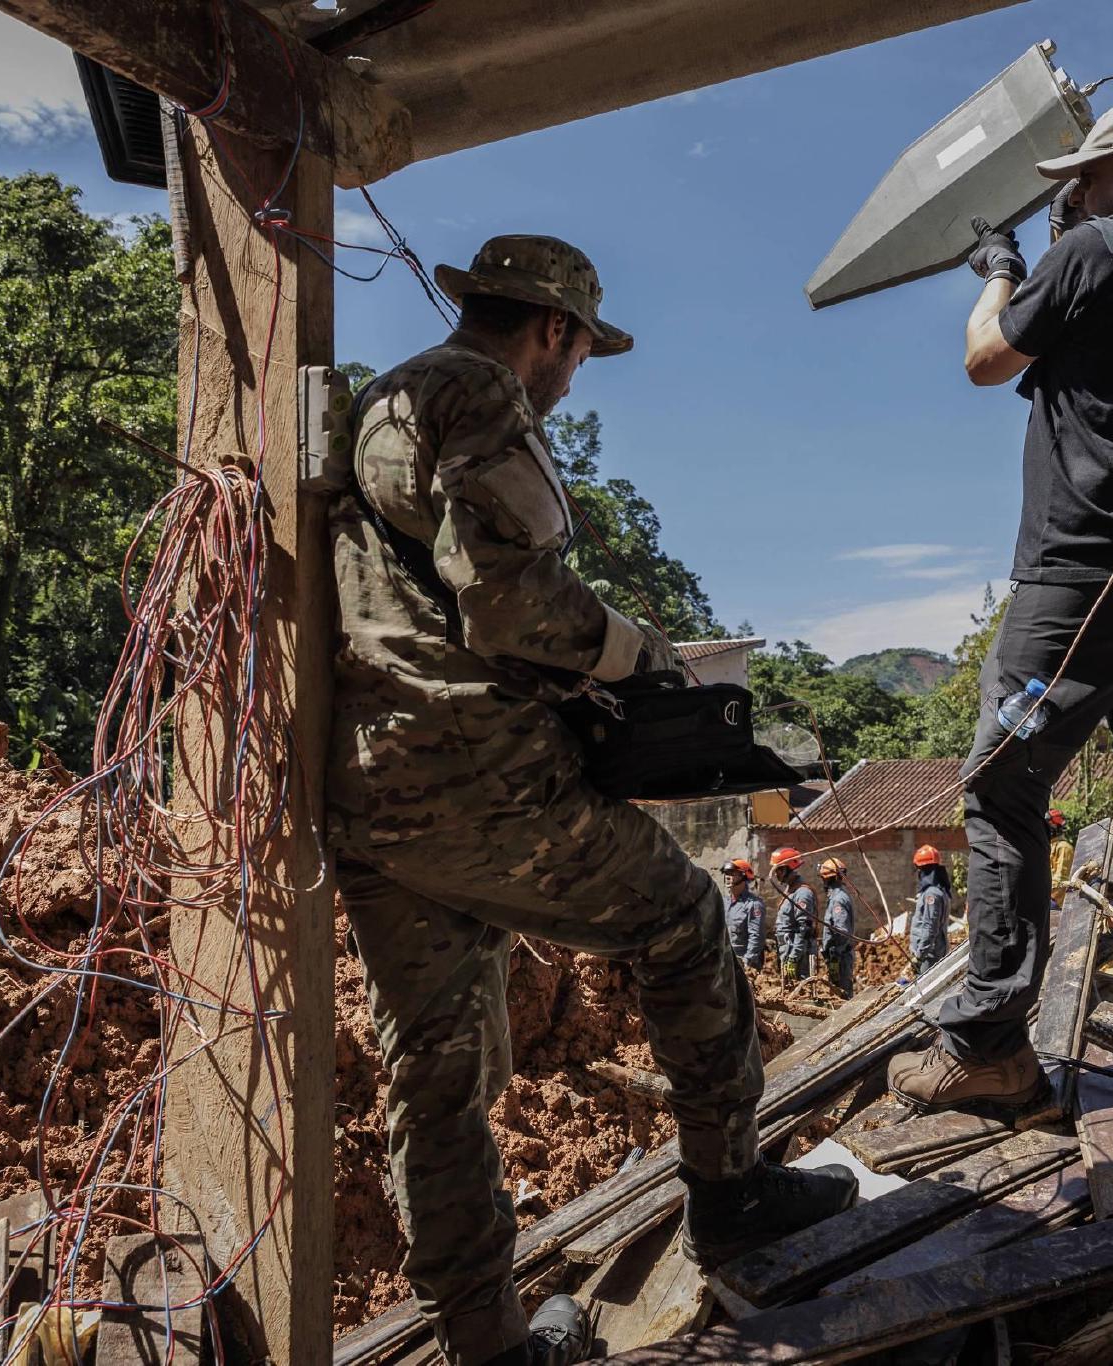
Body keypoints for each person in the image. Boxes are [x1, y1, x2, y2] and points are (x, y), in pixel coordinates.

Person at [327, 234, 857, 1366]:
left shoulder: (379, 406)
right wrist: (640, 655)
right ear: (552, 329)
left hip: (371, 788)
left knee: (432, 1063)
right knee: (683, 919)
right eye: (579, 351)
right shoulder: (476, 392)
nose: (575, 375)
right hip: (481, 779)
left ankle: (487, 1343)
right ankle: (730, 1196)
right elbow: (514, 610)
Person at [888, 95, 1113, 1116]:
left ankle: (993, 1047)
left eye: (1087, 173)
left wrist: (1002, 270)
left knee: (1002, 785)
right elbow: (1111, 372)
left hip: (1089, 574)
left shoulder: (1095, 252)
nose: (1074, 192)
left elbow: (986, 359)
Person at [768, 847, 817, 981]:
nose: (776, 874)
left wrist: (794, 957)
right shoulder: (791, 890)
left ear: (787, 869)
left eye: (778, 870)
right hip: (788, 950)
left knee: (801, 991)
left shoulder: (802, 894)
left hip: (798, 954)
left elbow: (804, 929)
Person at [908, 845, 952, 981]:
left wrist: (919, 955)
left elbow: (929, 926)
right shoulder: (939, 891)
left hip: (929, 954)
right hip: (933, 949)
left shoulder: (931, 894)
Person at [817, 858, 858, 998]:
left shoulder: (838, 899)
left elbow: (841, 931)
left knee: (843, 996)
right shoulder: (836, 897)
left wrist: (834, 955)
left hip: (840, 958)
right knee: (837, 994)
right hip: (838, 957)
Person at [722, 858, 766, 970]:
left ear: (743, 876)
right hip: (726, 961)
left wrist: (748, 962)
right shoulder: (724, 902)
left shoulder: (754, 904)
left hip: (744, 963)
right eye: (726, 873)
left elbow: (756, 936)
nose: (728, 877)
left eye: (732, 873)